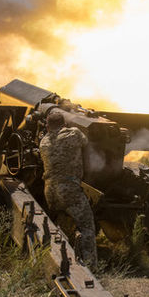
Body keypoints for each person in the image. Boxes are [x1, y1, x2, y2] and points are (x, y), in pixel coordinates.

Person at [39, 111, 98, 268]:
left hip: (49, 191)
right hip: (69, 189)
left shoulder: (43, 141)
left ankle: (60, 260)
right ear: (64, 124)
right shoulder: (74, 134)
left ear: (47, 126)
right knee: (86, 226)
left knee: (62, 225)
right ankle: (90, 266)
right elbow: (86, 143)